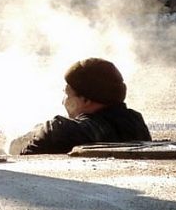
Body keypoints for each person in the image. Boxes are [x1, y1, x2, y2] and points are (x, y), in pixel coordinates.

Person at [10, 57, 151, 155]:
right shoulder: (136, 122)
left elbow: (19, 151)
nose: (63, 101)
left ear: (86, 100)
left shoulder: (61, 131)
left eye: (67, 94)